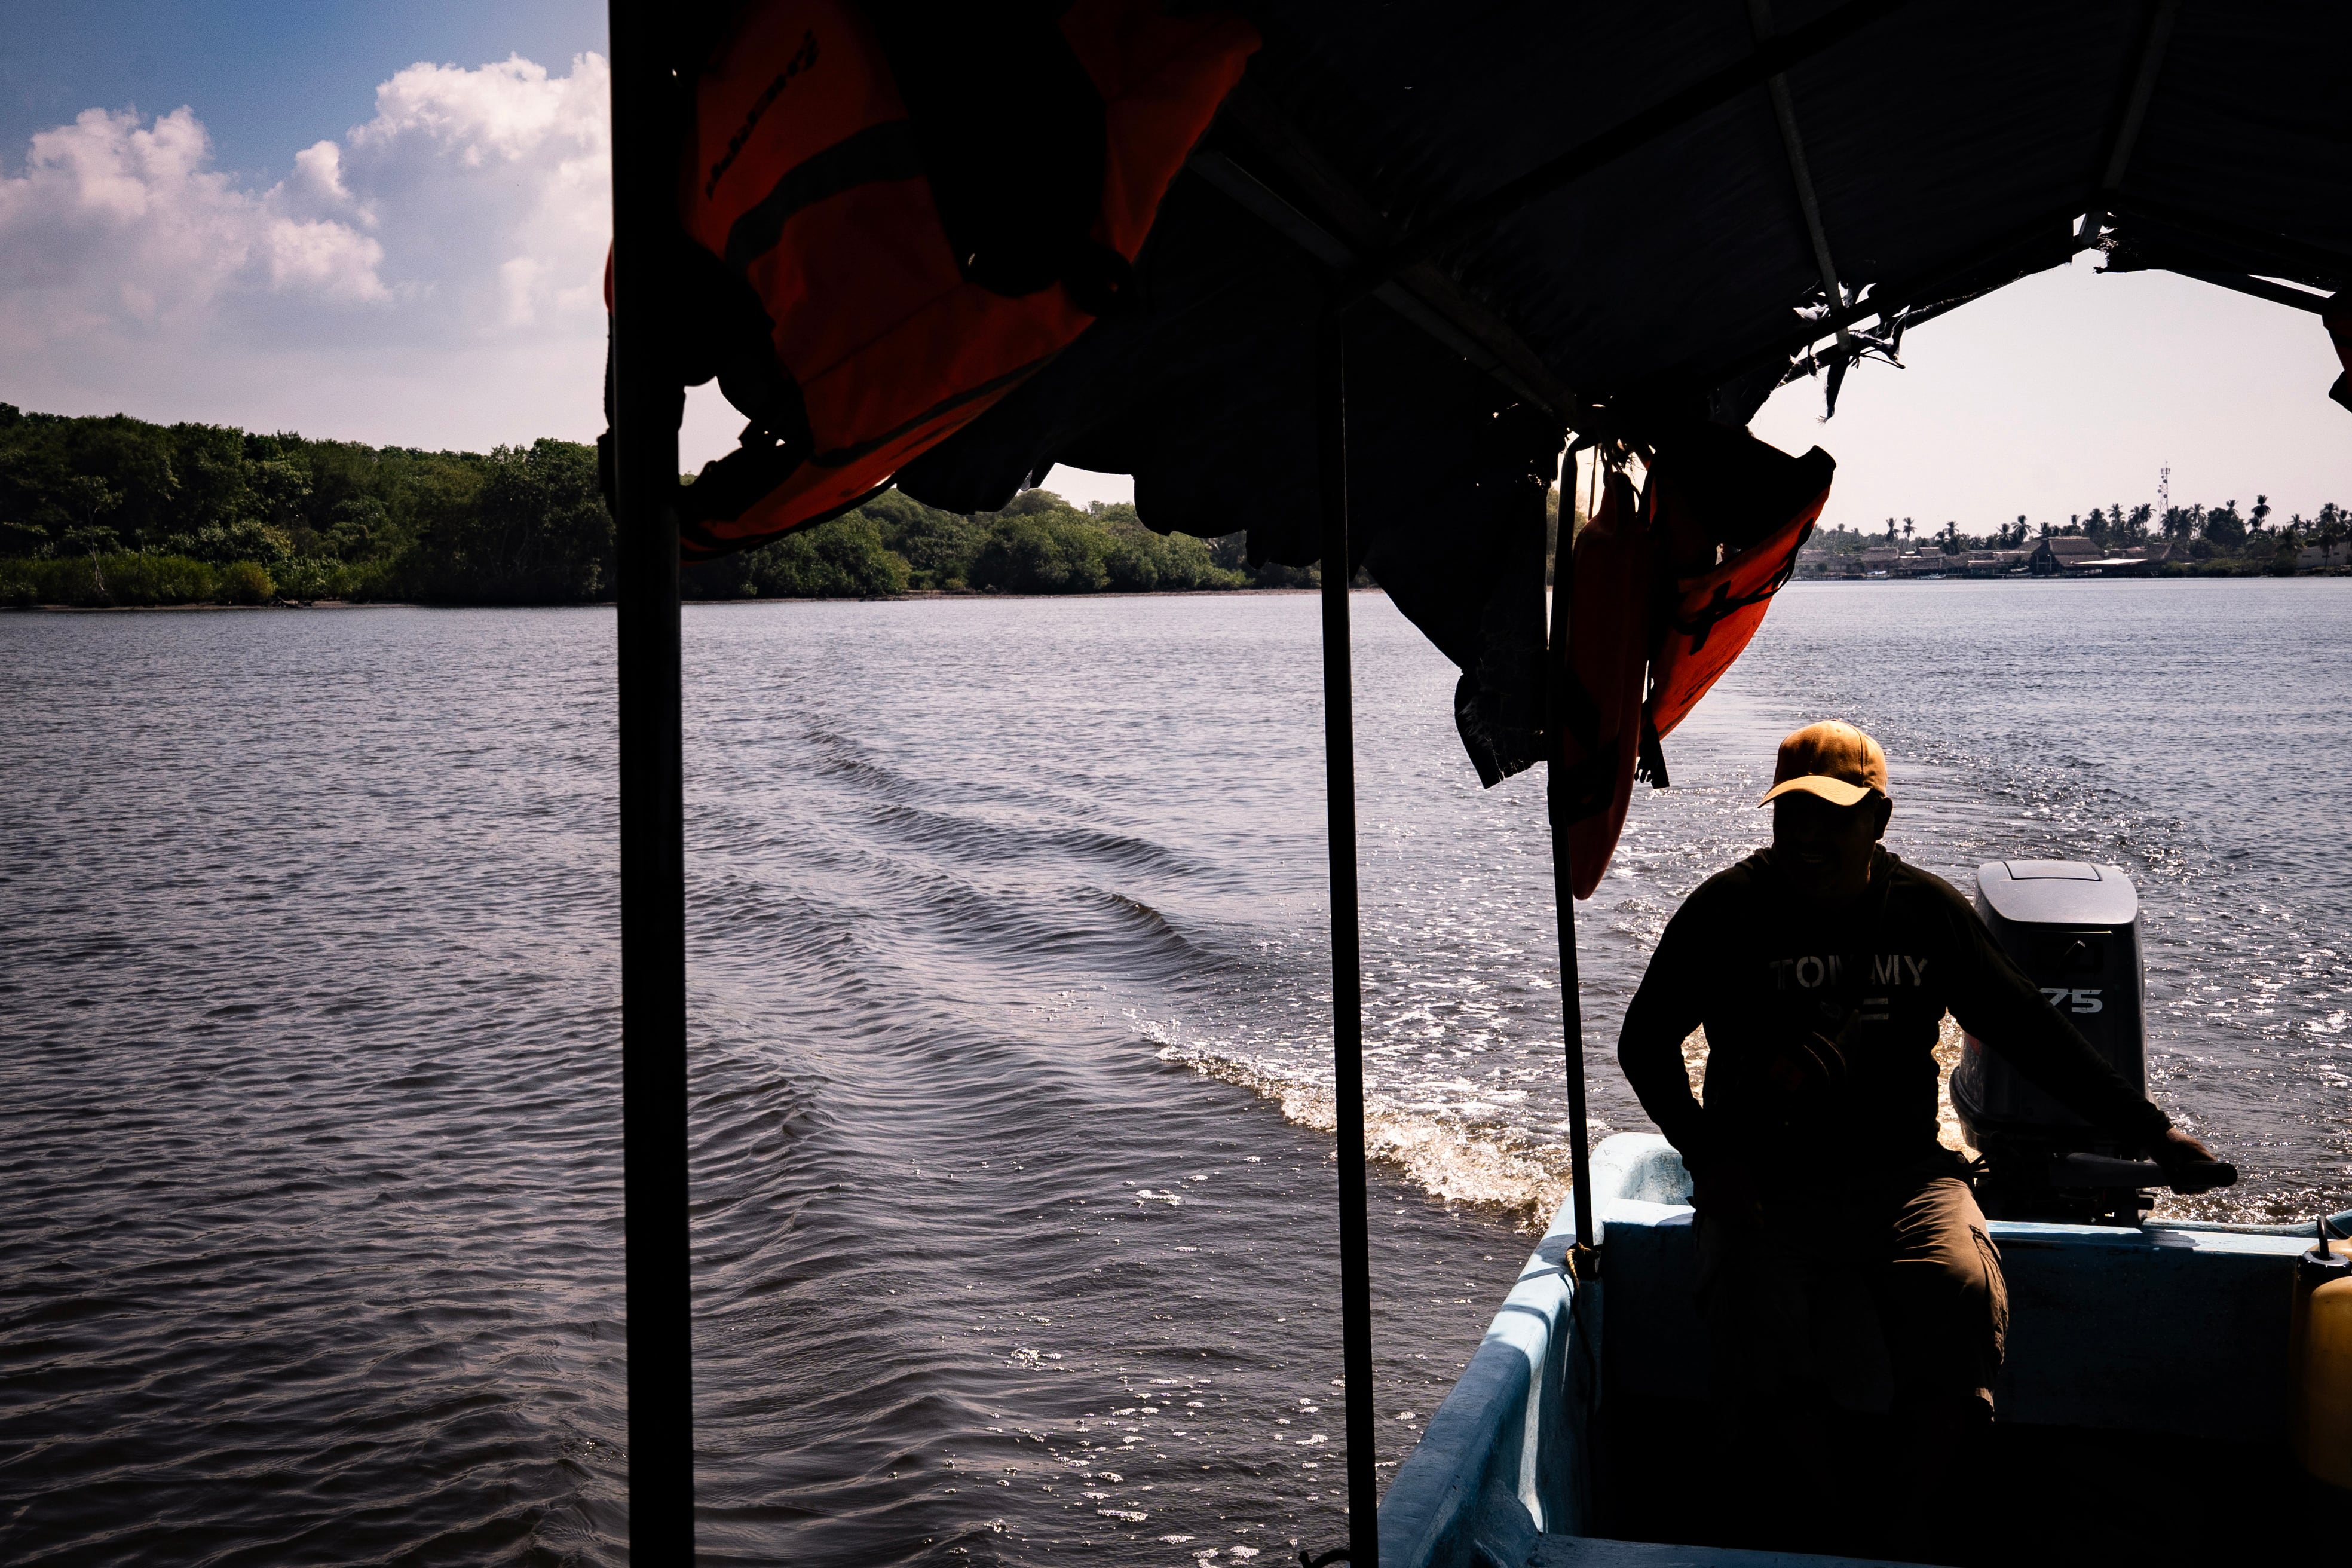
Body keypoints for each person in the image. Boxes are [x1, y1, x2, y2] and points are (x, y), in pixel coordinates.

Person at [1613, 720, 2224, 1557]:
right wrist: (1707, 1155)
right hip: (1762, 1182)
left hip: (1906, 1178)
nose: (1808, 836)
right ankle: (1819, 1520)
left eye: (1832, 816)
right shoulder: (1730, 909)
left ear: (1880, 819)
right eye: (1792, 814)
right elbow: (1642, 1043)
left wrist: (2154, 1135)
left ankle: (1911, 1518)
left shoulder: (1924, 912)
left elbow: (2030, 1031)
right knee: (1754, 1311)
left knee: (1963, 1288)